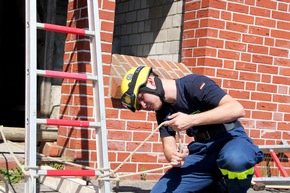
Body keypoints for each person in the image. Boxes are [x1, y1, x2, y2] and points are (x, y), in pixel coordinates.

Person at [120, 66, 264, 193]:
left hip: (230, 139)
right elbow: (169, 147)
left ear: (150, 82)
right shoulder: (163, 110)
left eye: (141, 98)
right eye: (139, 105)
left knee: (235, 159)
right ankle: (214, 185)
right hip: (202, 152)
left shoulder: (193, 84)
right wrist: (174, 157)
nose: (143, 105)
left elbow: (237, 109)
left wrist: (191, 120)